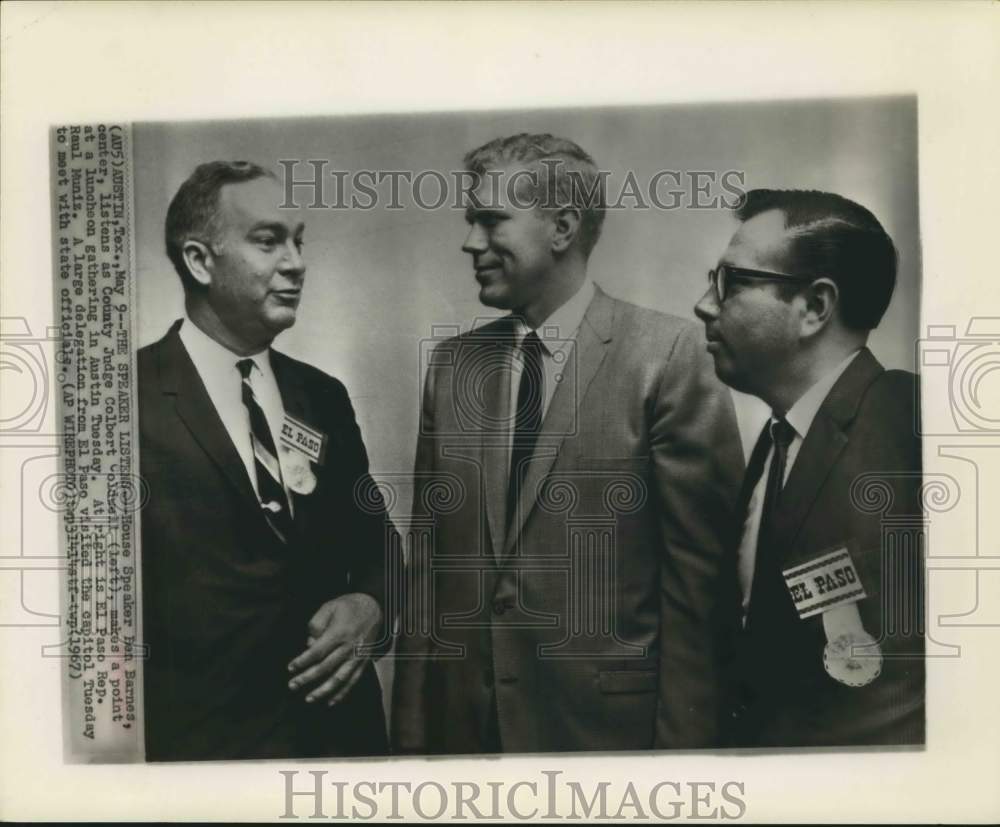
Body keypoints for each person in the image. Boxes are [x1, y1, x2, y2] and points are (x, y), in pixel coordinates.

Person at [391, 133, 743, 754]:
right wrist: (412, 748)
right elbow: (426, 578)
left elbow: (699, 600)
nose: (471, 241)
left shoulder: (668, 356)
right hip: (464, 741)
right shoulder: (451, 366)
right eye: (471, 220)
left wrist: (685, 767)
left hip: (605, 744)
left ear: (562, 227)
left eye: (491, 220)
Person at [138, 161, 397, 760]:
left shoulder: (322, 395)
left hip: (340, 744)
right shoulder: (122, 399)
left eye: (298, 240)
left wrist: (373, 605)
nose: (296, 262)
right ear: (201, 261)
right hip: (203, 756)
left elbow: (376, 540)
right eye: (268, 240)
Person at [694, 188, 924, 747]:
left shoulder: (913, 427)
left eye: (732, 283)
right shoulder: (778, 443)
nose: (705, 304)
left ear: (815, 307)